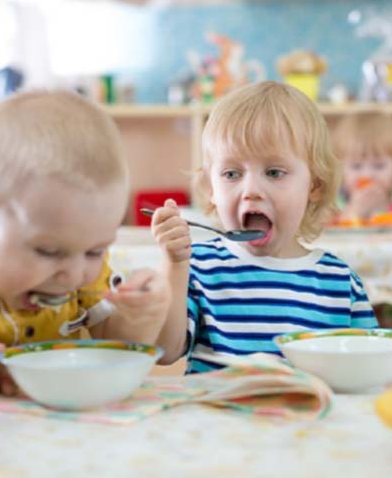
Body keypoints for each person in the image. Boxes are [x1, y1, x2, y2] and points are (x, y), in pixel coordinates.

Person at [149, 81, 378, 372]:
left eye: (274, 172)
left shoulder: (339, 282)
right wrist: (174, 264)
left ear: (315, 186)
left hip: (308, 417)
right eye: (232, 173)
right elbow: (165, 352)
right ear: (210, 188)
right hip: (219, 416)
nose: (251, 190)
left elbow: (366, 369)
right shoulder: (198, 267)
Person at [0, 90, 171, 398]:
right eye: (49, 251)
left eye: (95, 251)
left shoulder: (83, 266)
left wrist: (139, 317)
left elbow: (114, 347)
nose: (76, 275)